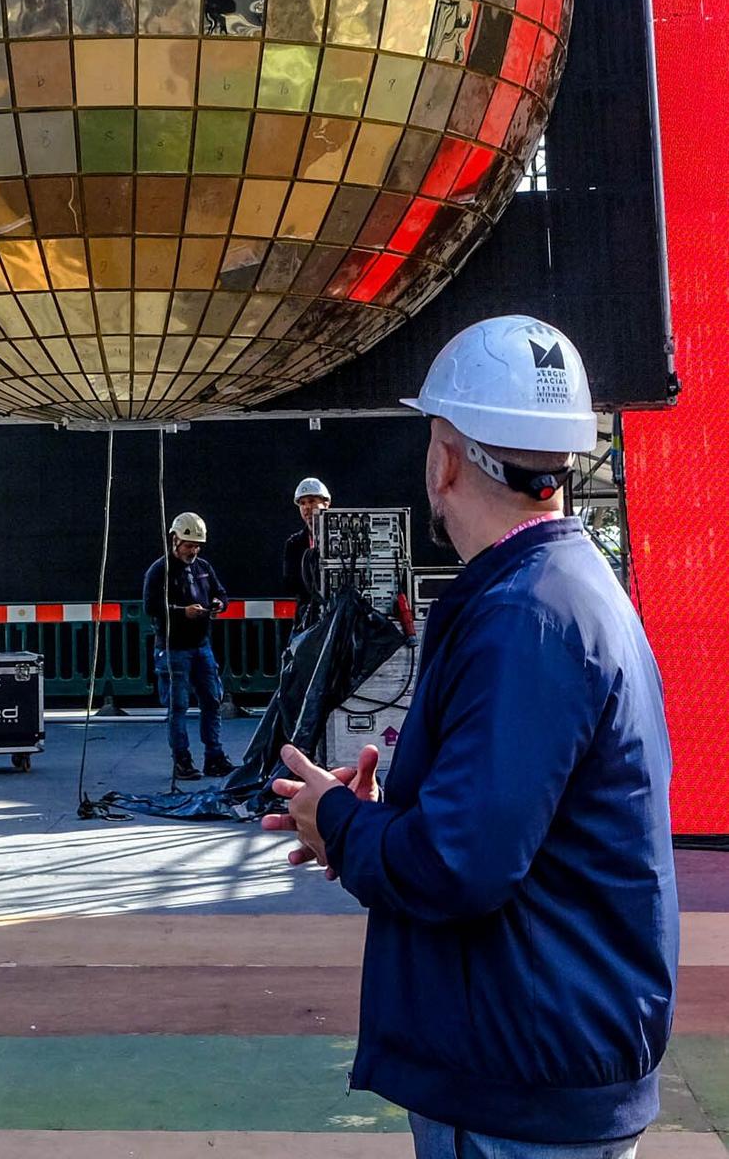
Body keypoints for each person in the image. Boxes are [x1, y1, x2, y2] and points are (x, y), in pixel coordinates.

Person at [264, 315, 677, 1159]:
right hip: (543, 1063)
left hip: (515, 1090)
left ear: (443, 459)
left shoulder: (524, 617)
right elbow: (507, 824)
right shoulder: (568, 589)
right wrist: (383, 818)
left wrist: (338, 825)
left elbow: (460, 865)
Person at [142, 512, 235, 781]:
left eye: (196, 546)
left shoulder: (203, 567)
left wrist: (219, 603)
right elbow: (151, 606)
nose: (193, 551)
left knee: (212, 700)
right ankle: (182, 759)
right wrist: (183, 612)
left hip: (200, 645)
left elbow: (220, 592)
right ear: (175, 540)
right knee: (178, 706)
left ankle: (214, 756)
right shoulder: (160, 570)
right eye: (189, 545)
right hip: (174, 649)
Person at [282, 475, 330, 624]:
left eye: (311, 501)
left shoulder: (342, 539)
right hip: (307, 617)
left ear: (326, 503)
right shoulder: (294, 543)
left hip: (338, 616)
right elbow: (290, 583)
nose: (307, 507)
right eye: (302, 503)